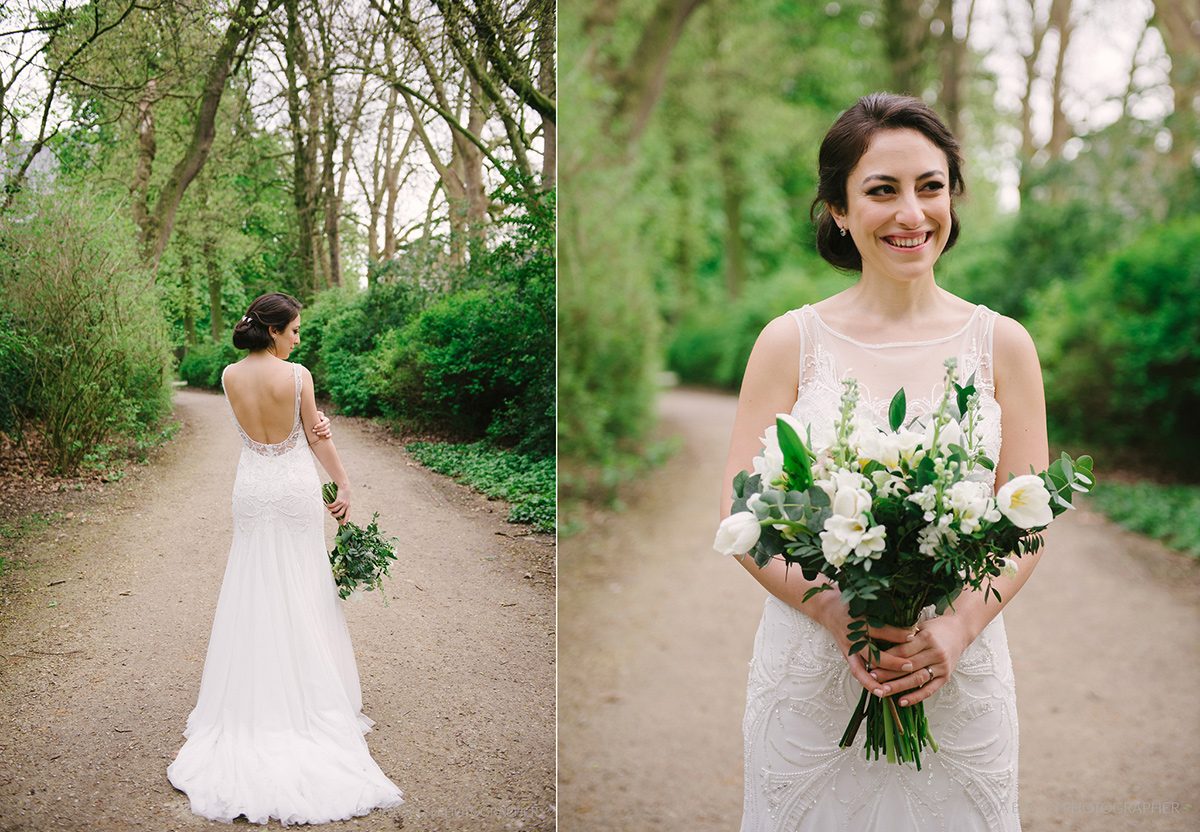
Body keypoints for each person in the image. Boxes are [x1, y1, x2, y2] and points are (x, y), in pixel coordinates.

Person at [721, 93, 1047, 831]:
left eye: (930, 187)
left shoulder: (1004, 346)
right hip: (815, 675)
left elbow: (1029, 521)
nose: (912, 213)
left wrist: (957, 631)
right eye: (881, 190)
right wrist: (837, 614)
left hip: (956, 677)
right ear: (838, 209)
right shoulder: (787, 343)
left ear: (952, 198)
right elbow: (742, 511)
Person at [167, 292, 404, 824]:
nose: (299, 338)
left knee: (252, 583)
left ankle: (250, 695)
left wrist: (314, 428)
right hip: (294, 488)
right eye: (294, 329)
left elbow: (267, 432)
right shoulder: (297, 376)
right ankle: (307, 695)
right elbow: (314, 441)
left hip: (251, 488)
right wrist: (342, 481)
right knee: (301, 583)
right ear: (274, 331)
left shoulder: (229, 376)